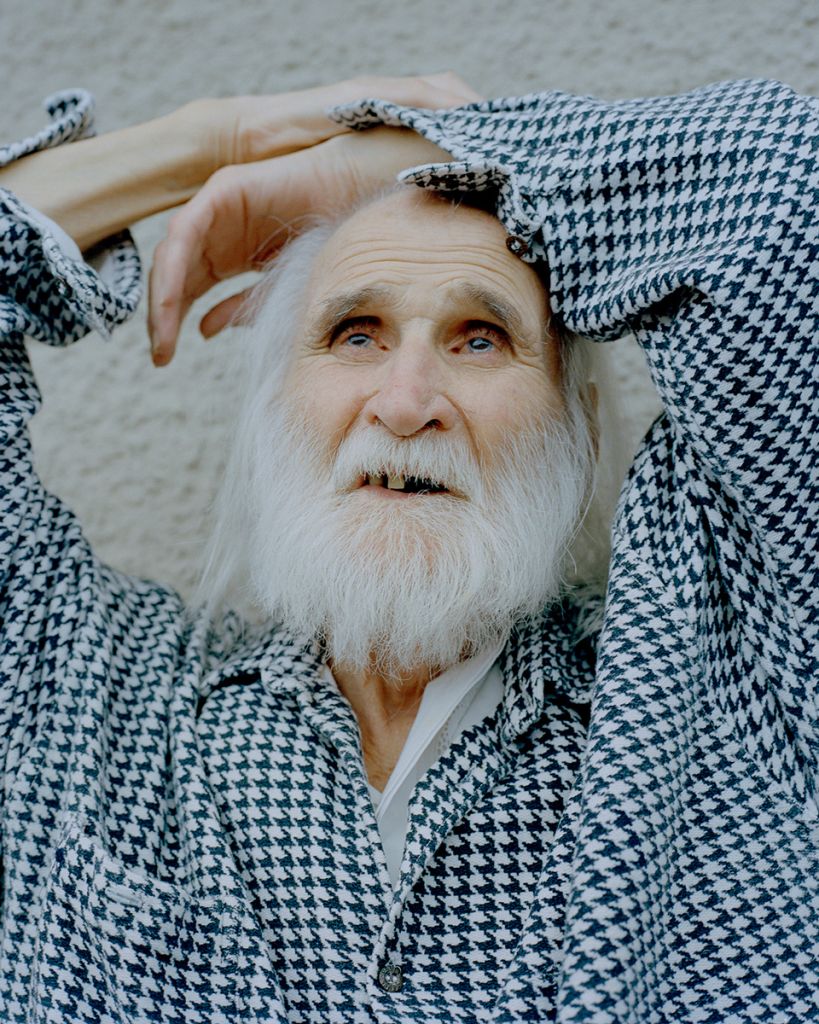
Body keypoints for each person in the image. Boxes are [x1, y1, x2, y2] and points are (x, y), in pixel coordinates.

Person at [0, 71, 816, 1024]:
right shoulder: (84, 690)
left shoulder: (719, 688)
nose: (404, 401)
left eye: (479, 338)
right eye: (356, 333)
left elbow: (791, 189)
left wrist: (410, 159)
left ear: (579, 428)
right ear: (271, 417)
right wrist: (214, 141)